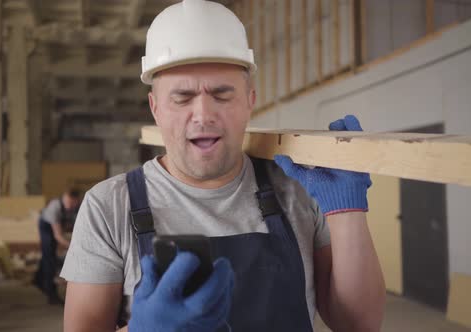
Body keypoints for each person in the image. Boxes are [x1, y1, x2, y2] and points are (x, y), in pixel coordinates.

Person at [62, 0, 386, 331]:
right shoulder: (109, 206)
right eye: (182, 98)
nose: (203, 115)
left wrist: (347, 214)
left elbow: (358, 325)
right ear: (155, 107)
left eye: (222, 94)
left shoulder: (298, 188)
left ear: (250, 100)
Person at [33, 189, 81, 305]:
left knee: (49, 256)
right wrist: (73, 247)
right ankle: (51, 294)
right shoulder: (55, 207)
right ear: (65, 198)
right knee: (49, 257)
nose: (71, 207)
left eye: (73, 204)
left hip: (58, 228)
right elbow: (58, 236)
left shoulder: (77, 206)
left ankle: (38, 280)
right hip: (46, 227)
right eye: (69, 203)